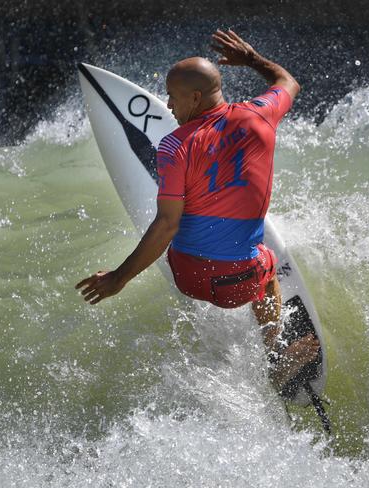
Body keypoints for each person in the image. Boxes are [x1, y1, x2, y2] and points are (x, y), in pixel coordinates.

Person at [76, 29, 319, 392]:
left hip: (188, 279)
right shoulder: (262, 116)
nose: (169, 106)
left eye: (173, 98)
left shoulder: (174, 146)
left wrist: (118, 278)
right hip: (239, 285)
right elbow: (288, 81)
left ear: (195, 97)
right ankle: (276, 354)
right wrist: (251, 59)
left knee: (184, 208)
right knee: (266, 272)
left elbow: (166, 224)